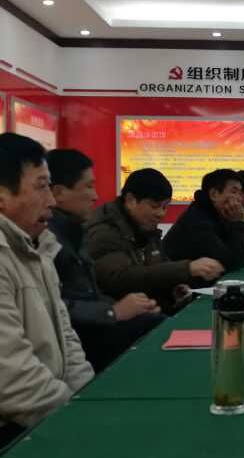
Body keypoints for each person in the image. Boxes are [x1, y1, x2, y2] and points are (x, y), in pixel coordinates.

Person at [0, 133, 93, 449]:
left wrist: (89, 399)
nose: (52, 201)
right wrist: (78, 418)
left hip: (48, 413)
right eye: (41, 187)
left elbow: (67, 340)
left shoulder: (38, 248)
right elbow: (13, 381)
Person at [47, 149, 165, 372]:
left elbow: (88, 294)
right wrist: (113, 311)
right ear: (59, 193)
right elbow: (52, 306)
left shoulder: (73, 232)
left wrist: (129, 307)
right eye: (89, 186)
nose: (95, 196)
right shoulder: (52, 238)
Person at [86, 168, 224, 315]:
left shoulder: (146, 227)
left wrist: (174, 289)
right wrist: (186, 268)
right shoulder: (104, 231)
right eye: (154, 206)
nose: (161, 213)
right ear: (131, 200)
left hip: (151, 309)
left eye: (165, 207)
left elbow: (157, 268)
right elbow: (120, 279)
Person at [163, 169, 244, 270]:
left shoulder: (216, 214)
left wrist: (236, 223)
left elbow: (241, 255)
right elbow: (233, 261)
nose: (239, 199)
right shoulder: (198, 221)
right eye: (234, 192)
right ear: (214, 194)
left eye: (240, 193)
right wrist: (239, 222)